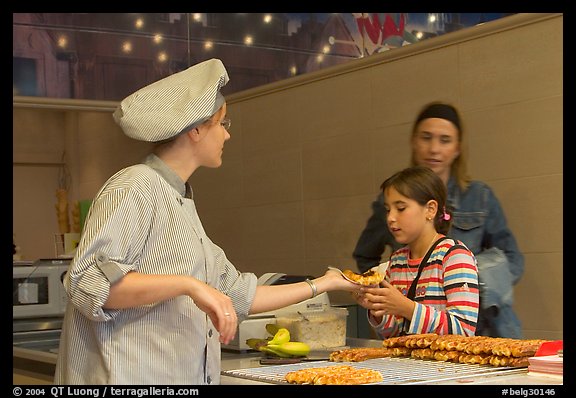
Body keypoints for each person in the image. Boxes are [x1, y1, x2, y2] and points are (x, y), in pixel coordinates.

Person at [53, 59, 360, 385]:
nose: (227, 135)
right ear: (196, 130)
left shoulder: (180, 201)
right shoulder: (134, 186)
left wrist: (324, 284)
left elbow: (238, 294)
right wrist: (189, 285)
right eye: (223, 123)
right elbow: (87, 283)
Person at [352, 102, 524, 339]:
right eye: (426, 137)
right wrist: (380, 303)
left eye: (445, 140)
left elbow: (461, 329)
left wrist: (469, 282)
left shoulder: (464, 235)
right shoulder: (397, 262)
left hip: (478, 334)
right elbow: (392, 329)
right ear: (413, 141)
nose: (434, 149)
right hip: (415, 359)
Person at [354, 166, 479, 338]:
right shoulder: (396, 261)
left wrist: (407, 307)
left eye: (401, 208)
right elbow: (395, 333)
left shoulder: (455, 256)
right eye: (388, 209)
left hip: (444, 364)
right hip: (409, 363)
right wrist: (378, 308)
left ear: (430, 210)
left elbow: (463, 331)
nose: (391, 218)